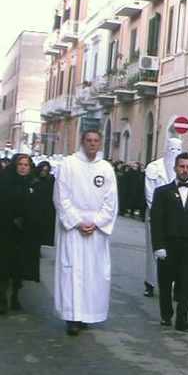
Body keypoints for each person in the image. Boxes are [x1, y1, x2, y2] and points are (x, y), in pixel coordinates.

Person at [53, 130, 118, 336]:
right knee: (73, 272)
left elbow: (111, 200)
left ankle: (88, 314)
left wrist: (97, 223)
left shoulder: (106, 168)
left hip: (96, 232)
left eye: (96, 141)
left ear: (100, 143)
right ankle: (72, 316)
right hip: (74, 229)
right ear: (82, 142)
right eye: (88, 140)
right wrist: (78, 221)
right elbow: (61, 197)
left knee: (94, 274)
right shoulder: (69, 164)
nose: (92, 144)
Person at [150, 152, 188, 331]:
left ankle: (182, 318)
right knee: (166, 282)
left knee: (187, 282)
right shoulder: (162, 192)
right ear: (175, 168)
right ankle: (166, 315)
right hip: (168, 244)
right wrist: (158, 246)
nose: (185, 170)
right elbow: (156, 221)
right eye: (182, 166)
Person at [0, 155, 44, 313]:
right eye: (20, 164)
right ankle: (2, 299)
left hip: (25, 232)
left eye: (26, 165)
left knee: (20, 265)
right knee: (4, 265)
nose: (23, 167)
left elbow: (39, 208)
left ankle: (15, 297)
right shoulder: (5, 182)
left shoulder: (34, 184)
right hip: (6, 230)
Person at [144, 137, 185, 297]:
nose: (175, 154)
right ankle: (151, 282)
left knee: (175, 252)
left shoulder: (183, 169)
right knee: (154, 250)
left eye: (178, 150)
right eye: (172, 150)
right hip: (156, 217)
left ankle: (174, 284)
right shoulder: (154, 168)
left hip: (177, 219)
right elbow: (150, 194)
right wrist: (160, 214)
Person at [34, 160, 56, 246]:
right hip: (37, 209)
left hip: (48, 209)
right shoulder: (35, 180)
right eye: (42, 170)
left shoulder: (51, 180)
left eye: (46, 171)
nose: (43, 173)